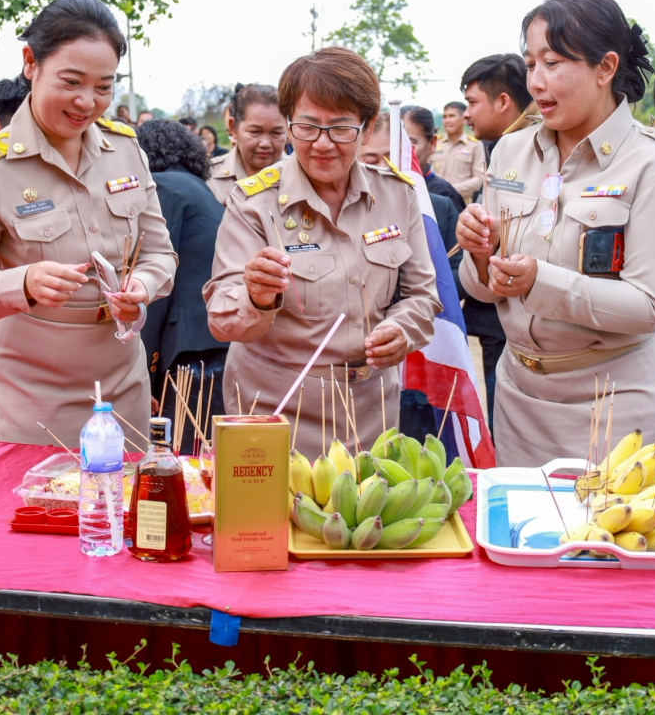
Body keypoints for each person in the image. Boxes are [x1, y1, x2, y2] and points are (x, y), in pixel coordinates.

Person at [0, 0, 177, 446]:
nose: (87, 102)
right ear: (30, 63)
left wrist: (144, 286)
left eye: (104, 87)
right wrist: (22, 283)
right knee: (43, 511)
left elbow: (159, 252)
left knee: (126, 506)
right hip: (32, 388)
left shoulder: (125, 149)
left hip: (122, 378)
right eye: (71, 81)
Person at [456, 0, 655, 466]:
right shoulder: (510, 153)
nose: (537, 83)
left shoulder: (654, 165)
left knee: (606, 540)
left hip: (615, 404)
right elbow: (482, 292)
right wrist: (479, 254)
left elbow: (649, 305)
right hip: (520, 398)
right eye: (530, 64)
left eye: (553, 63)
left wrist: (539, 281)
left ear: (605, 68)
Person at [204, 47, 440, 456]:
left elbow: (422, 296)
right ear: (289, 125)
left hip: (371, 412)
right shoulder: (253, 203)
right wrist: (257, 298)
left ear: (367, 131)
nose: (323, 144)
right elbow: (223, 321)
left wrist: (400, 330)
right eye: (308, 127)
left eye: (341, 128)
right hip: (277, 413)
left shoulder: (396, 195)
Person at [453, 54, 537, 429]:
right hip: (495, 311)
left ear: (503, 101)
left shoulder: (542, 153)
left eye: (472, 103)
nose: (467, 114)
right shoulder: (498, 150)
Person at [136, 119, 229, 449]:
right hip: (214, 345)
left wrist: (141, 375)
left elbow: (155, 284)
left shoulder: (162, 187)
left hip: (190, 355)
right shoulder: (195, 185)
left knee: (183, 464)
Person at [208, 84, 287, 205]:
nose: (265, 144)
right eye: (255, 132)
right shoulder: (209, 177)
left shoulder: (305, 177)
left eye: (276, 133)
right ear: (233, 127)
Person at [401, 105, 466, 213]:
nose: (400, 150)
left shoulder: (445, 194)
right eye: (394, 142)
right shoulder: (382, 188)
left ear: (432, 144)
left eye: (410, 142)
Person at [461, 54, 534, 148]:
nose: (465, 114)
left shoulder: (540, 152)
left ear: (503, 102)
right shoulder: (502, 149)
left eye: (472, 102)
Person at [429, 101, 486, 200]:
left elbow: (480, 179)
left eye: (451, 116)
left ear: (464, 119)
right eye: (445, 117)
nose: (447, 120)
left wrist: (449, 190)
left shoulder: (474, 145)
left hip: (460, 204)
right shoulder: (435, 143)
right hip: (434, 201)